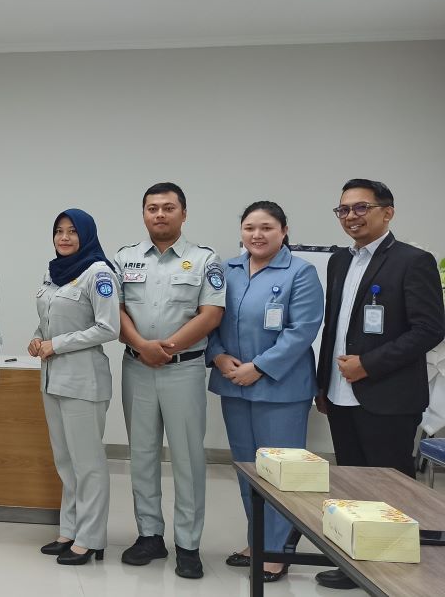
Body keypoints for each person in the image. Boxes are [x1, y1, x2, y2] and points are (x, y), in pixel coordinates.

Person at [312, 179, 445, 590]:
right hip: (340, 392)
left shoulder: (413, 261)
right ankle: (356, 564)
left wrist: (368, 365)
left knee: (390, 487)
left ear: (387, 212)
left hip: (388, 396)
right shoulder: (339, 261)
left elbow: (430, 329)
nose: (351, 216)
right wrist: (322, 383)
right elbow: (334, 327)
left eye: (361, 207)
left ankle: (393, 573)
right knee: (352, 483)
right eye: (343, 209)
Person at [207, 201, 324, 583]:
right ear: (241, 231)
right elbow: (209, 318)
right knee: (248, 470)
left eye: (267, 227)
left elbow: (302, 330)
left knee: (282, 473)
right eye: (250, 228)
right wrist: (218, 356)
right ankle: (257, 541)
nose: (257, 235)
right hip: (234, 385)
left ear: (284, 231)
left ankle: (277, 551)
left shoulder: (300, 272)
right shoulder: (227, 270)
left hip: (280, 388)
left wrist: (258, 367)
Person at [114, 182, 224, 579]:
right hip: (137, 368)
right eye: (152, 208)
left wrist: (166, 348)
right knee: (141, 455)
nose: (159, 214)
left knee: (188, 459)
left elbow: (211, 314)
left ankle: (189, 544)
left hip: (184, 370)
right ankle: (149, 535)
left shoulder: (205, 260)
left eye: (168, 207)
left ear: (184, 213)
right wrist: (143, 346)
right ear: (144, 213)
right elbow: (115, 309)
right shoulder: (124, 258)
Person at [29, 209, 119, 566]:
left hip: (83, 380)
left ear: (86, 235)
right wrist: (38, 338)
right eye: (58, 231)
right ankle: (69, 530)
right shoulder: (54, 273)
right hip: (53, 378)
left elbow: (108, 328)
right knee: (66, 461)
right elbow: (48, 320)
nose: (64, 238)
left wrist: (58, 344)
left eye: (72, 231)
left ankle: (91, 538)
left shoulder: (98, 273)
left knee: (88, 463)